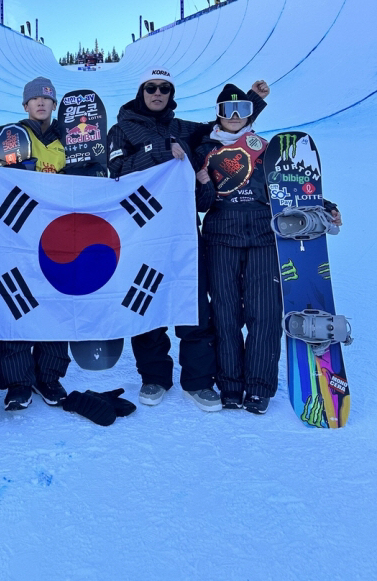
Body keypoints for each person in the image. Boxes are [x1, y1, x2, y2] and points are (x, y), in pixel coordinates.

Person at [107, 67, 268, 412]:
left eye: (165, 88)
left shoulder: (184, 130)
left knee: (194, 307)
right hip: (142, 235)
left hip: (181, 233)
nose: (157, 92)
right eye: (151, 87)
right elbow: (117, 172)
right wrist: (158, 149)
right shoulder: (120, 130)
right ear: (141, 91)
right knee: (146, 304)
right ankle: (154, 377)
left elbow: (225, 129)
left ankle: (197, 381)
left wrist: (251, 101)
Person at [194, 83, 341, 414]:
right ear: (217, 114)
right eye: (228, 110)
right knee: (226, 315)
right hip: (220, 237)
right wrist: (203, 182)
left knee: (265, 313)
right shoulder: (204, 150)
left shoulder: (266, 148)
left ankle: (258, 388)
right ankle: (230, 385)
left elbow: (291, 187)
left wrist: (324, 206)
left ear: (250, 115)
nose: (234, 117)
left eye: (242, 110)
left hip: (263, 235)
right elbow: (201, 205)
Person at [0, 77, 71, 411]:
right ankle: (18, 381)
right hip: (19, 229)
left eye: (46, 99)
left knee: (55, 298)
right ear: (25, 105)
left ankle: (48, 375)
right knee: (18, 300)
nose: (40, 103)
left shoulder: (66, 139)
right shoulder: (13, 134)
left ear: (54, 105)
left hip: (58, 231)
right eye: (34, 99)